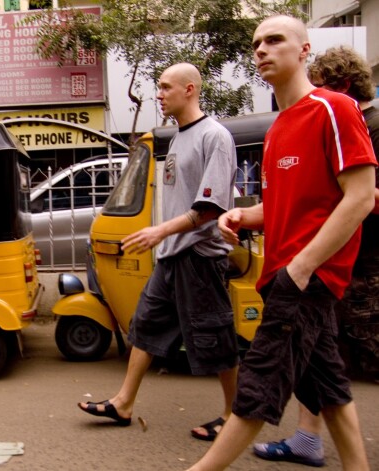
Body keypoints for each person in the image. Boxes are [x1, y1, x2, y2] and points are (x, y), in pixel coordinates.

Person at [187, 15, 376, 471]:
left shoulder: (333, 108)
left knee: (258, 385)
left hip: (304, 279)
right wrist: (241, 216)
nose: (262, 50)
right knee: (329, 388)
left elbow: (361, 196)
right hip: (285, 276)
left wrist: (303, 266)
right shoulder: (276, 131)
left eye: (274, 40)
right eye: (257, 44)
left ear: (305, 50)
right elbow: (284, 209)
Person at [78, 63, 240, 441]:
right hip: (172, 256)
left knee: (215, 337)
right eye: (158, 87)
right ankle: (123, 403)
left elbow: (210, 207)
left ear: (189, 89)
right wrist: (163, 239)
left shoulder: (214, 136)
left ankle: (233, 415)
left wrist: (160, 232)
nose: (159, 93)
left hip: (200, 258)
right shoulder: (177, 139)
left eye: (166, 87)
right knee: (145, 326)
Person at [252, 45, 379, 468]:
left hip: (360, 263)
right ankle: (309, 438)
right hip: (332, 260)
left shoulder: (354, 120)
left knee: (353, 354)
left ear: (341, 88)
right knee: (324, 360)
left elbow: (360, 195)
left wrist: (304, 260)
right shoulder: (321, 119)